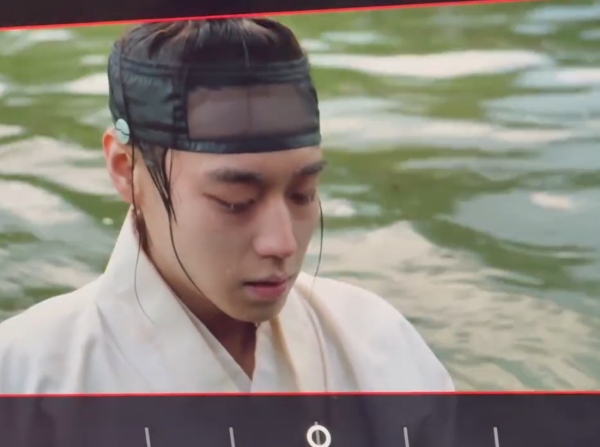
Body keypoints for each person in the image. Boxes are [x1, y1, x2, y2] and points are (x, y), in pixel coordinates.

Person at [0, 18, 454, 394]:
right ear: (126, 170)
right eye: (235, 202)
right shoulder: (27, 381)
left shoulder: (379, 348)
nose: (282, 243)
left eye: (303, 193)